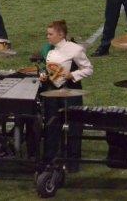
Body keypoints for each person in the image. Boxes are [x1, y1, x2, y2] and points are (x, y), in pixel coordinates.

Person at [39, 20, 93, 171]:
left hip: (71, 91)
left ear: (61, 34)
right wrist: (43, 76)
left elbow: (89, 69)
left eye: (50, 34)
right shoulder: (48, 49)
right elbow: (47, 68)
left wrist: (72, 75)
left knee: (74, 126)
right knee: (51, 125)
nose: (47, 36)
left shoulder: (75, 49)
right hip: (52, 91)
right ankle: (50, 160)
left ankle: (73, 162)